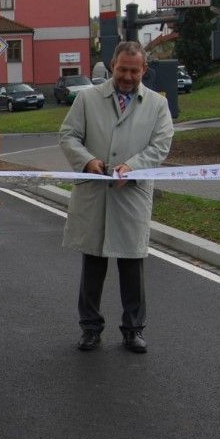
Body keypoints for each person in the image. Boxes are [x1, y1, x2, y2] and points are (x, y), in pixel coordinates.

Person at [60, 40, 174, 354]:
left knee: (132, 267)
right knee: (93, 265)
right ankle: (90, 328)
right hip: (95, 194)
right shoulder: (87, 99)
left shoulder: (156, 105)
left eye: (134, 70)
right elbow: (68, 135)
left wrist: (132, 167)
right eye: (122, 69)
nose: (127, 76)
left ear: (144, 70)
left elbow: (160, 145)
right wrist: (88, 161)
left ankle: (133, 330)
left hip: (132, 195)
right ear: (112, 65)